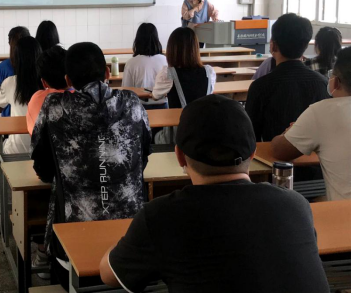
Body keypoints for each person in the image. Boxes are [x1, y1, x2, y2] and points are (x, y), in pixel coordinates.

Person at [100, 95, 330, 293]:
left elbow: (109, 275)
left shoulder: (160, 217)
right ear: (252, 153)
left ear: (179, 156)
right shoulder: (296, 204)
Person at [31, 42, 152, 290]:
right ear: (107, 72)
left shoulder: (55, 107)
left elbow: (41, 165)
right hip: (132, 239)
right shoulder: (132, 103)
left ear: (68, 79)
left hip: (73, 238)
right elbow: (144, 155)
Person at [272, 46, 351, 201]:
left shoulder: (323, 111)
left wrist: (289, 131)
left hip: (344, 213)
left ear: (335, 82)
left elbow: (279, 151)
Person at [245, 14, 330, 142]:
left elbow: (251, 136)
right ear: (305, 46)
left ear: (273, 46)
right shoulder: (323, 84)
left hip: (272, 153)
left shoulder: (260, 87)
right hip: (313, 154)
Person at [152, 28, 216, 140]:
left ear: (172, 50)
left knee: (153, 132)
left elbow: (156, 96)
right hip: (204, 134)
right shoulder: (209, 72)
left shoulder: (168, 74)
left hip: (178, 135)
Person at [0, 36, 42, 154]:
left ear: (16, 60)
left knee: (5, 146)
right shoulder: (46, 83)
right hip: (43, 151)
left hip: (18, 150)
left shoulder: (11, 82)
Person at [27, 45, 72, 135]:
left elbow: (31, 131)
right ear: (69, 78)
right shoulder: (82, 100)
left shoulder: (36, 98)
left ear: (44, 83)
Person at [121, 23, 167, 109]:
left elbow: (126, 91)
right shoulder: (165, 60)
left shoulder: (131, 63)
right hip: (163, 106)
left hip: (139, 107)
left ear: (137, 41)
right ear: (156, 40)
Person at [0, 26, 30, 117]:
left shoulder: (4, 67)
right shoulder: (38, 65)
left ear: (10, 43)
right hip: (35, 116)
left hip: (9, 115)